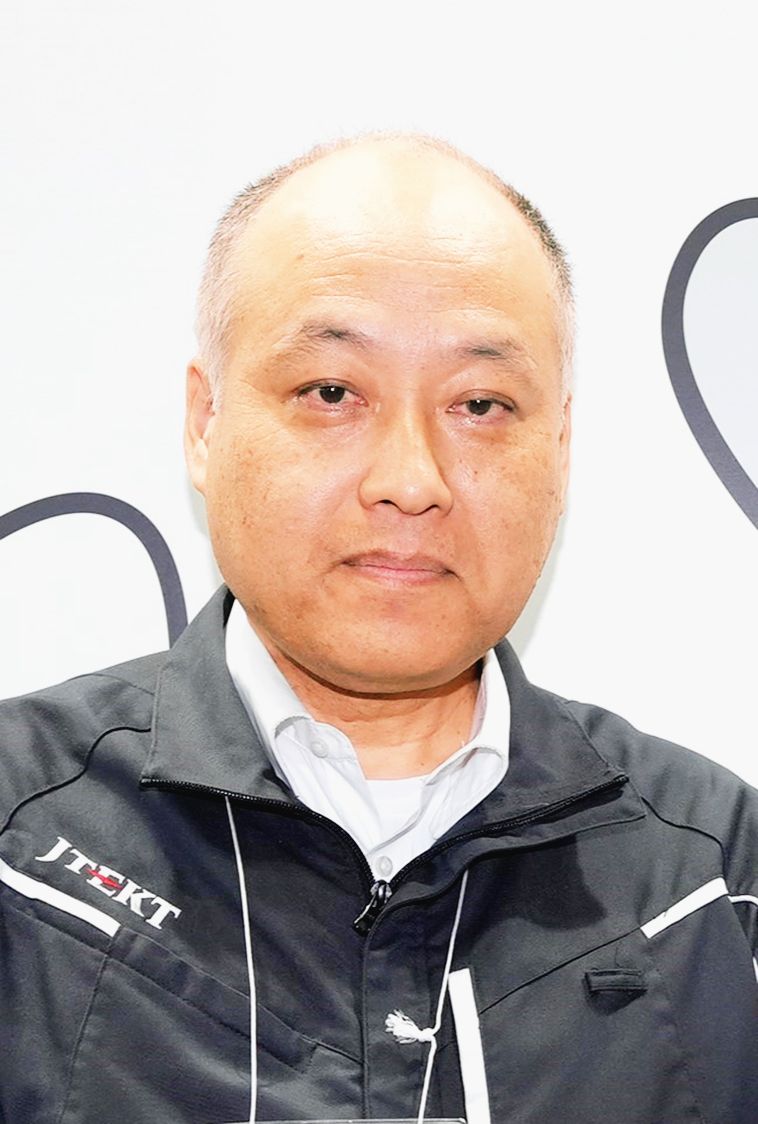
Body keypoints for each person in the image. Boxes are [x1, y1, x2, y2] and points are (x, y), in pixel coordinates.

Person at [1, 133, 756, 1124]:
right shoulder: (21, 831)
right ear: (204, 422)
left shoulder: (715, 874)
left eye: (479, 403)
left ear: (561, 447)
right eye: (331, 393)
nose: (410, 480)